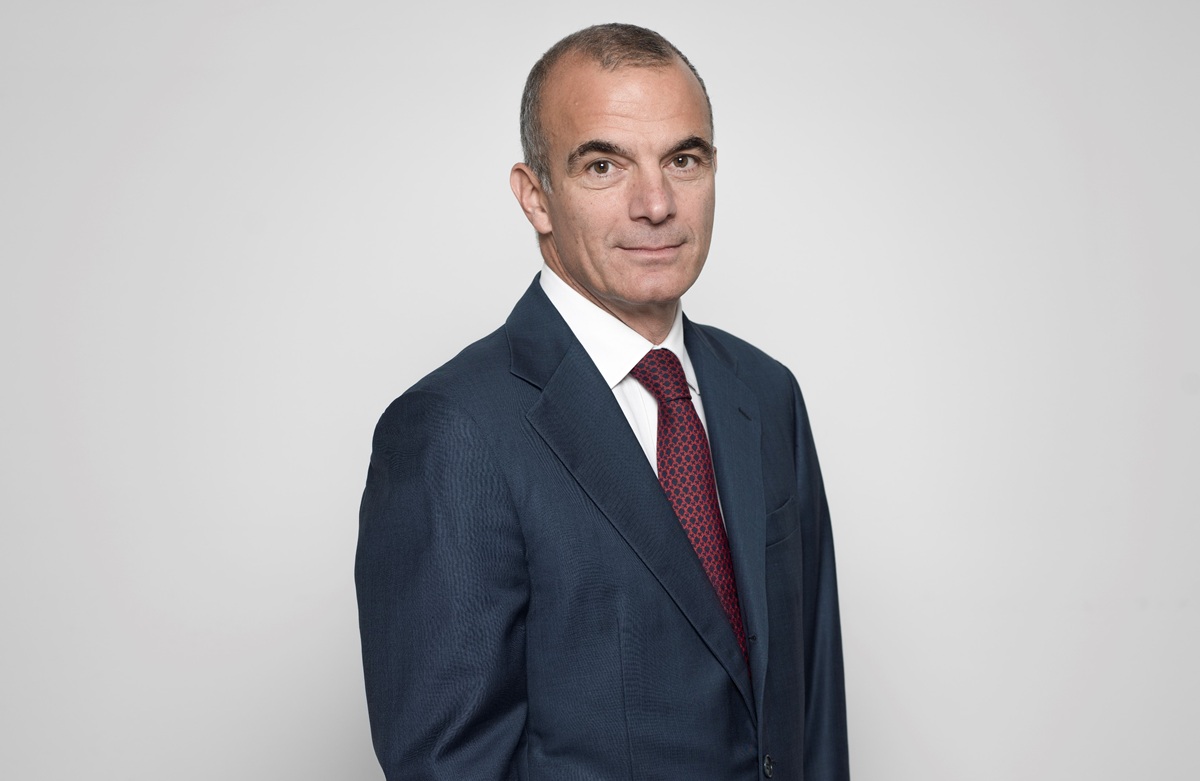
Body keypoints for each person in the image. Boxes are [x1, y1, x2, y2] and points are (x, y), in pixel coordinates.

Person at [355, 23, 850, 780]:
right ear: (536, 197)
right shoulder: (453, 431)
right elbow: (449, 764)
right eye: (603, 165)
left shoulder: (765, 392)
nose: (656, 203)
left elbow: (812, 707)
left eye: (683, 159)